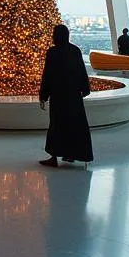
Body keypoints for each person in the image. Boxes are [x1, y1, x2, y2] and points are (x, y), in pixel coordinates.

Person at [38, 24, 93, 168]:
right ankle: (71, 154)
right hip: (73, 95)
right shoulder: (75, 51)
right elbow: (82, 71)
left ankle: (54, 156)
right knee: (74, 125)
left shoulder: (53, 52)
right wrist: (85, 89)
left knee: (57, 126)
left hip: (58, 96)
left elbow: (47, 75)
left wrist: (43, 95)